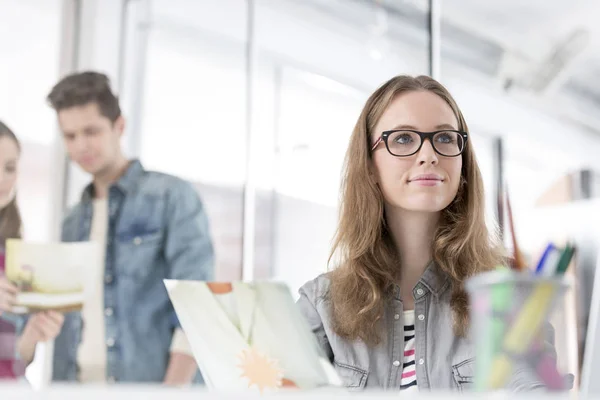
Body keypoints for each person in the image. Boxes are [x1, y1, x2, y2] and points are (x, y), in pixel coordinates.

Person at [297, 75, 555, 391]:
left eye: (445, 138)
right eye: (403, 138)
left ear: (462, 166)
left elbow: (533, 388)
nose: (429, 154)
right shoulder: (320, 305)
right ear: (369, 166)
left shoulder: (508, 296)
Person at [28, 71, 215, 384]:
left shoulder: (170, 197)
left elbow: (197, 305)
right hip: (75, 385)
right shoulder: (71, 220)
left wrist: (172, 392)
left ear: (119, 126)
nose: (81, 145)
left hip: (149, 386)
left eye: (91, 131)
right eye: (70, 136)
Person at [0, 121, 64, 380]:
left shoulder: (14, 256)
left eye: (9, 168)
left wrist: (32, 335)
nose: (2, 179)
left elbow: (14, 363)